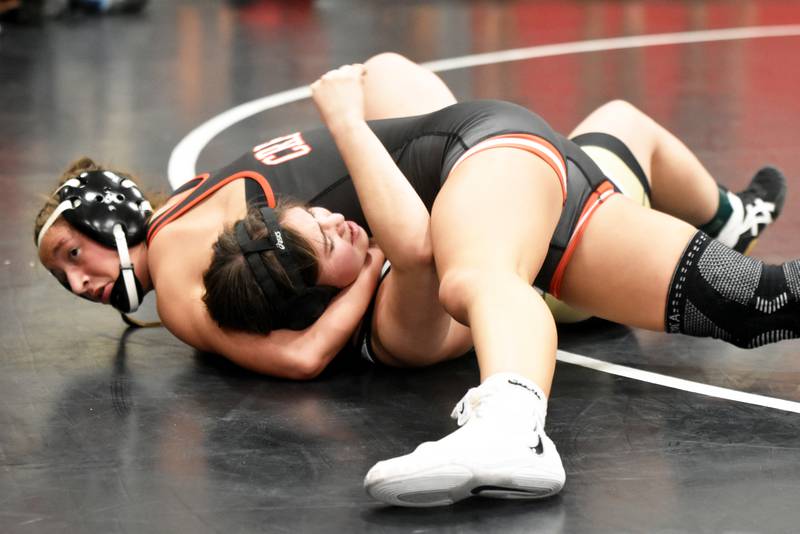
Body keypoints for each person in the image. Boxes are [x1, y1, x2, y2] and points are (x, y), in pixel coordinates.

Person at [35, 54, 788, 505]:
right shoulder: (232, 223)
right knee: (759, 305)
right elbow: (324, 331)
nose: (80, 284)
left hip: (484, 158)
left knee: (477, 274)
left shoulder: (181, 262)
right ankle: (722, 222)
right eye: (64, 274)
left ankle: (513, 426)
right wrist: (352, 126)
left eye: (73, 254)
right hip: (524, 173)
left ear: (108, 216)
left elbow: (315, 342)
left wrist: (354, 139)